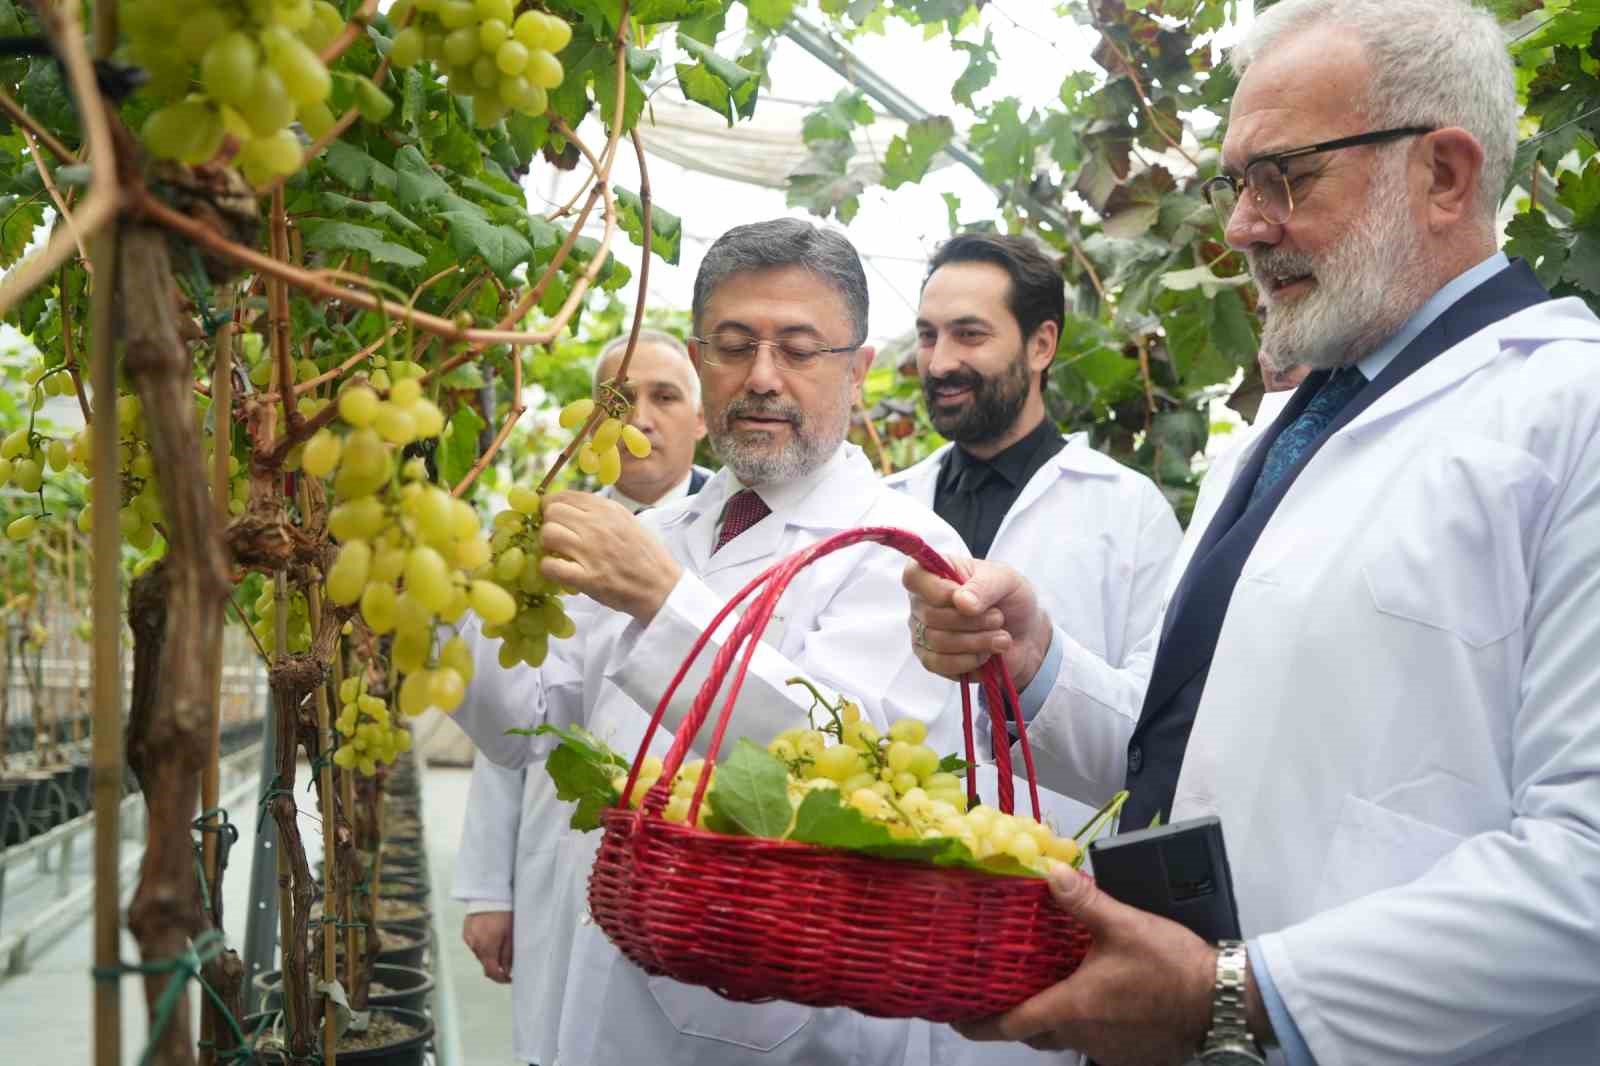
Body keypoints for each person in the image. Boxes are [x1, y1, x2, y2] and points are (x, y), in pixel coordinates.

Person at [903, 1, 1600, 1063]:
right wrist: (1033, 662)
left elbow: (1586, 862)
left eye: (1287, 176)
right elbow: (1200, 756)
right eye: (1237, 182)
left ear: (1445, 175)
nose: (1240, 226)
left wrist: (1240, 992)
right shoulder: (1288, 424)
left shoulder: (1569, 411)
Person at [451, 217, 970, 1066]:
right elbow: (522, 725)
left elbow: (853, 764)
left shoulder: (906, 552)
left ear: (861, 372)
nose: (762, 378)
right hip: (589, 984)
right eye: (733, 346)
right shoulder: (664, 531)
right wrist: (452, 600)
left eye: (799, 349)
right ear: (700, 363)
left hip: (764, 1024)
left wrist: (662, 602)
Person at [451, 329, 712, 1065]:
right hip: (562, 861)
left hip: (688, 879)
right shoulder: (541, 540)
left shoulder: (738, 538)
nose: (642, 417)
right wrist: (485, 890)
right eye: (620, 399)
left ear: (701, 418)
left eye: (666, 396)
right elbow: (511, 723)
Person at [888, 231, 1181, 811]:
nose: (940, 362)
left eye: (969, 334)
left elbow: (1155, 734)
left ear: (1041, 345)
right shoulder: (888, 504)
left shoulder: (1128, 510)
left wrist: (1038, 667)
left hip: (1055, 872)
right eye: (928, 335)